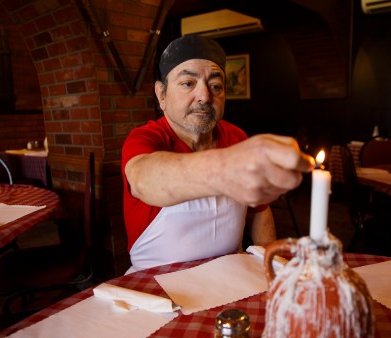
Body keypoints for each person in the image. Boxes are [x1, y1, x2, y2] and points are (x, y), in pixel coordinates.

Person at [122, 35, 313, 273]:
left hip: (230, 279)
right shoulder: (147, 137)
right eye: (188, 83)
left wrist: (268, 263)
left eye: (215, 86)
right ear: (161, 94)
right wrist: (225, 167)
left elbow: (260, 212)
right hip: (156, 285)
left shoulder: (236, 137)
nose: (204, 96)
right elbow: (143, 180)